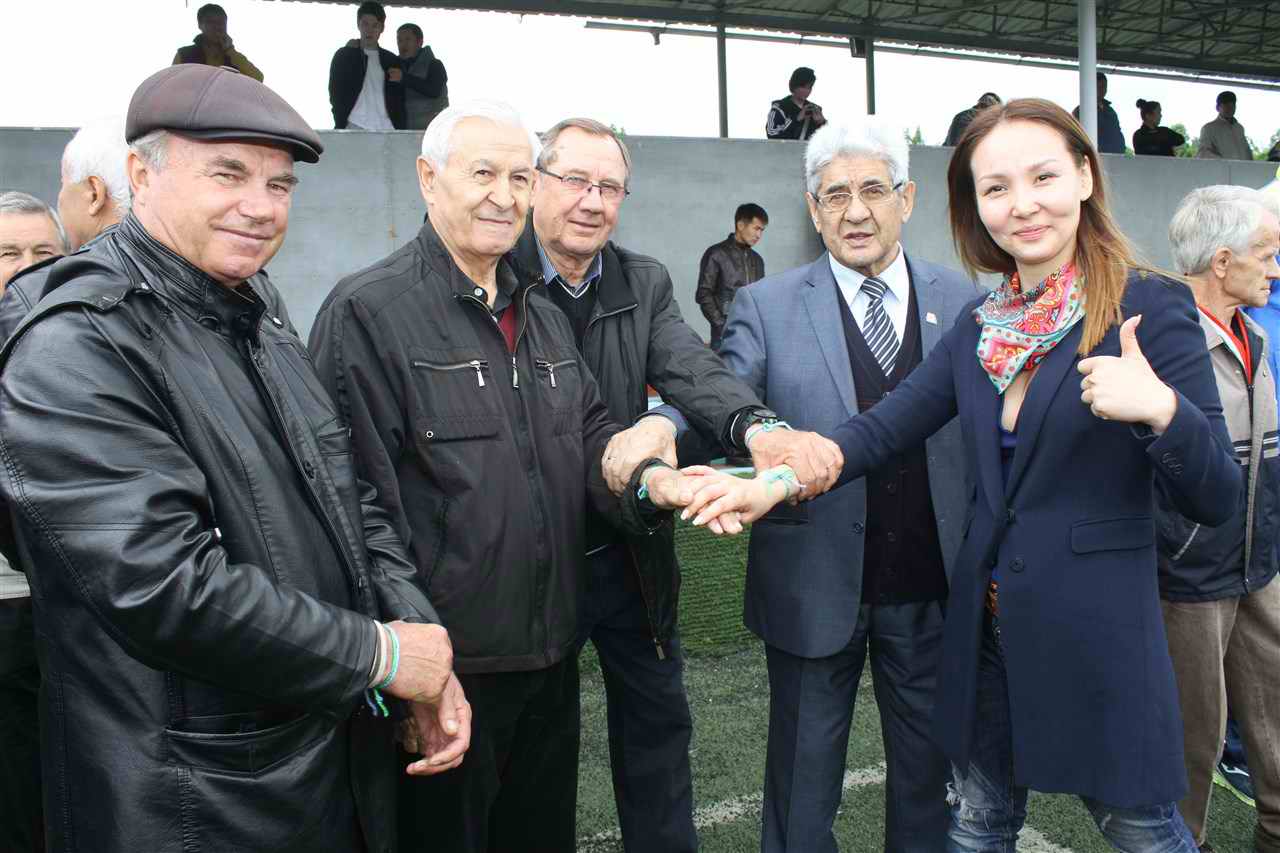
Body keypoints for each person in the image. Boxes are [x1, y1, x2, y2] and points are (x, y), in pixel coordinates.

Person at [682, 97, 1242, 852]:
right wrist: (772, 483)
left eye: (1042, 177)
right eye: (996, 187)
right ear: (976, 205)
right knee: (977, 827)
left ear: (1084, 176)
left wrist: (1162, 410)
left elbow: (1216, 496)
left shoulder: (1148, 304)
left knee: (1139, 827)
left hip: (1095, 635)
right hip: (983, 633)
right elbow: (877, 431)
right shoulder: (983, 323)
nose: (1022, 204)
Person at [0, 64, 472, 853]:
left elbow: (346, 494)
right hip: (191, 802)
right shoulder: (77, 340)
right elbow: (161, 584)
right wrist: (380, 653)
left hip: (318, 766)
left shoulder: (254, 307)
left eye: (279, 185)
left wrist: (416, 637)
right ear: (140, 175)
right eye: (228, 174)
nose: (260, 206)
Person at [308, 100, 705, 853]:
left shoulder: (539, 311)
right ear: (429, 180)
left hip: (551, 661)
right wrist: (417, 668)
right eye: (482, 173)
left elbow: (592, 441)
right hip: (450, 672)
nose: (503, 195)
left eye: (519, 177)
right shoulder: (368, 312)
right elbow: (353, 508)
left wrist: (654, 483)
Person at [507, 117, 831, 853]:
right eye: (575, 181)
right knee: (536, 754)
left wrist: (757, 427)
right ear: (536, 185)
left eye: (610, 186)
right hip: (533, 559)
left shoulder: (642, 279)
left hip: (631, 549)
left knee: (658, 730)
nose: (592, 201)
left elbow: (692, 367)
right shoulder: (498, 277)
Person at [715, 117, 981, 853]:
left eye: (872, 190)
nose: (855, 211)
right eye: (835, 195)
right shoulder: (765, 305)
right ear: (812, 208)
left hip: (932, 587)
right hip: (812, 581)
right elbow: (721, 401)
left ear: (907, 198)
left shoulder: (962, 297)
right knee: (801, 790)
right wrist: (667, 427)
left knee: (929, 786)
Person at [1160, 185, 1280, 853]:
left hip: (1260, 563)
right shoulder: (1160, 343)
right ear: (1224, 260)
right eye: (1267, 254)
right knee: (1190, 740)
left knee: (1275, 719)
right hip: (1190, 578)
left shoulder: (1254, 333)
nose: (1276, 269)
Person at [0, 190, 66, 853]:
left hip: (63, 613)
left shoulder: (75, 349)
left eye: (43, 252)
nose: (26, 266)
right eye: (8, 252)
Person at [696, 202, 768, 350]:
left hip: (753, 338)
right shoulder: (716, 254)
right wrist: (723, 327)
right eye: (756, 228)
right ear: (740, 225)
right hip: (724, 338)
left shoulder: (758, 261)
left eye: (762, 230)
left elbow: (761, 298)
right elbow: (703, 294)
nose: (759, 235)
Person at [56, 116, 131, 251]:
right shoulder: (166, 256)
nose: (60, 197)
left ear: (95, 195)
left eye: (63, 183)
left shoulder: (82, 263)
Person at [329, 1, 405, 130]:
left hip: (387, 127)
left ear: (382, 28)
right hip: (353, 125)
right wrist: (341, 121)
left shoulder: (391, 60)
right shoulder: (344, 56)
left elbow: (399, 99)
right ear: (358, 24)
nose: (369, 30)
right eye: (365, 24)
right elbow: (335, 92)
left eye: (375, 25)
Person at [172, 3, 263, 82]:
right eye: (210, 22)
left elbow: (258, 78)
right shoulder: (185, 55)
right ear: (200, 25)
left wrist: (230, 50)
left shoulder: (233, 58)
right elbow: (171, 82)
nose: (217, 27)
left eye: (221, 22)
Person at [397, 23, 449, 130]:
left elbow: (434, 90)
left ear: (420, 42)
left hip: (431, 131)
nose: (403, 44)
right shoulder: (395, 65)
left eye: (408, 39)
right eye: (399, 40)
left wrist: (404, 78)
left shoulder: (435, 65)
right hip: (402, 132)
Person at [767, 67, 826, 141]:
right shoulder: (779, 107)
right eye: (803, 87)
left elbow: (828, 139)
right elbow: (772, 134)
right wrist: (796, 119)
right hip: (784, 148)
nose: (806, 91)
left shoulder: (815, 109)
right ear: (794, 85)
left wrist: (822, 123)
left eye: (809, 87)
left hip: (808, 149)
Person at [1072, 71, 1125, 154]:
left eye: (1104, 86)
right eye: (1099, 87)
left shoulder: (1110, 111)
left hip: (1114, 156)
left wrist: (1121, 148)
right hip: (1093, 156)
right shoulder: (1080, 111)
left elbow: (1117, 133)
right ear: (1092, 87)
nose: (1102, 90)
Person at [1198, 91, 1252, 161]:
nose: (1230, 107)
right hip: (1221, 167)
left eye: (1233, 104)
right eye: (1226, 104)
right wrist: (1225, 162)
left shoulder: (1239, 128)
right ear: (1217, 107)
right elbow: (1203, 153)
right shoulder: (1208, 128)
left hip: (1243, 167)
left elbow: (1247, 152)